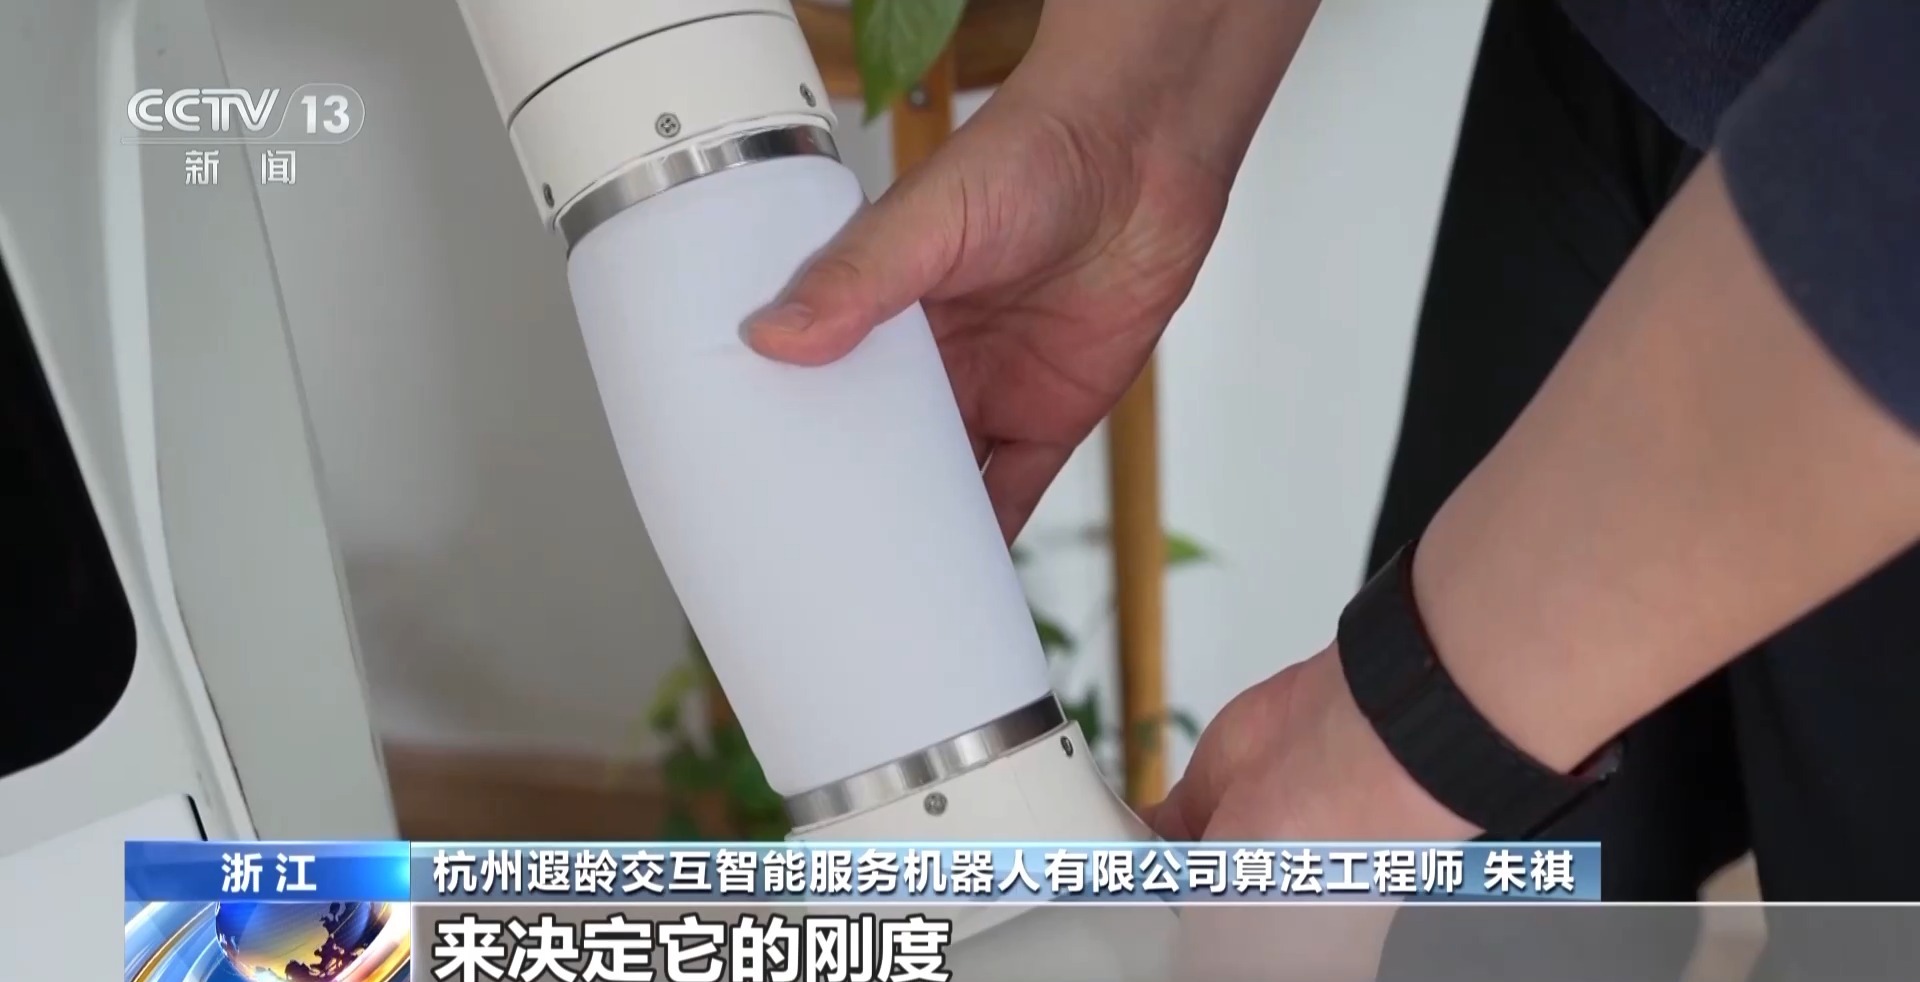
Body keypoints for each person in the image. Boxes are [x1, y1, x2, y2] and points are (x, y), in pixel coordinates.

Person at [748, 0, 1920, 912]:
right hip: (1649, 56)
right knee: (1459, 931)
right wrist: (1135, 103)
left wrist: (1416, 732)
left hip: (1876, 223)